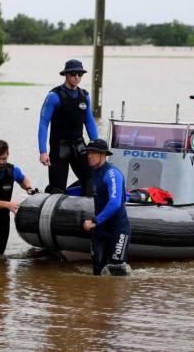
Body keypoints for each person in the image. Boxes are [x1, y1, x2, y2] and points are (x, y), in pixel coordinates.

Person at [38, 59, 99, 196]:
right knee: (57, 190)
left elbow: (89, 122)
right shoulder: (54, 96)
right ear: (66, 74)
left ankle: (90, 215)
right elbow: (43, 123)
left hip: (79, 146)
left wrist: (98, 147)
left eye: (80, 74)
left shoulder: (85, 96)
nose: (76, 77)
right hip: (59, 149)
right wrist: (43, 151)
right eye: (73, 74)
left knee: (92, 182)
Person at [81, 139, 131, 276]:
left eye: (93, 153)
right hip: (100, 231)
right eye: (88, 153)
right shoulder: (94, 172)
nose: (89, 156)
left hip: (118, 230)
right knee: (97, 271)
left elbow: (115, 203)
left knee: (115, 273)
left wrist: (95, 221)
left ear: (103, 154)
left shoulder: (112, 174)